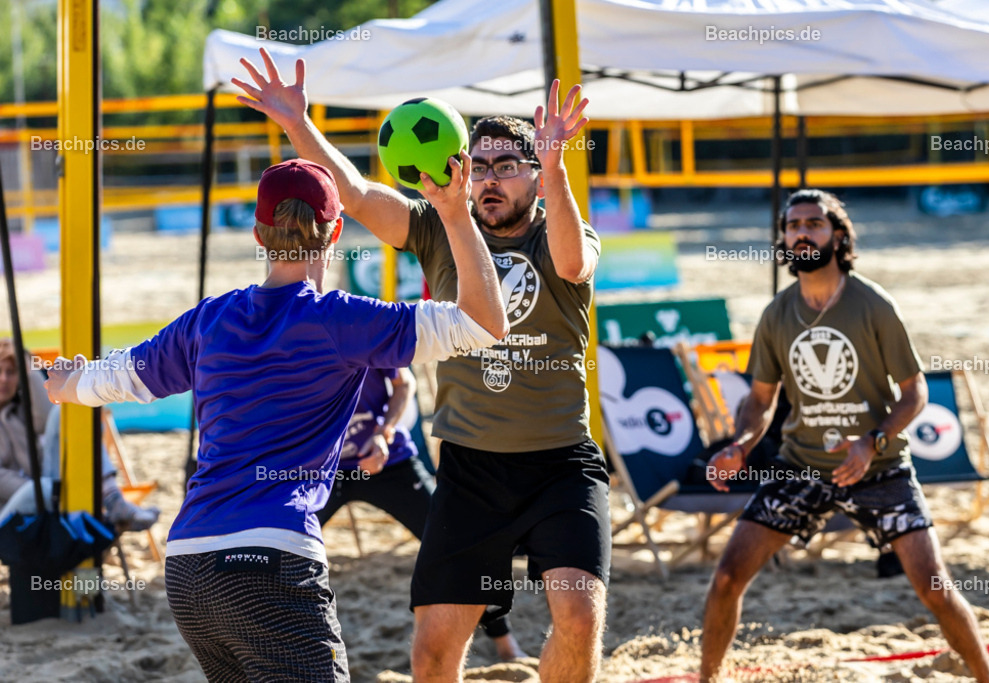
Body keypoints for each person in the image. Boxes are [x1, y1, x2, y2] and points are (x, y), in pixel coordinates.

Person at [43, 157, 508, 682]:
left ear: (259, 235)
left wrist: (66, 381)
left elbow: (118, 378)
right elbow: (484, 322)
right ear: (335, 231)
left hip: (190, 564)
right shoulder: (341, 317)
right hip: (273, 553)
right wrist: (454, 214)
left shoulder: (209, 318)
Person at [234, 49, 609, 682]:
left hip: (561, 463)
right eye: (479, 164)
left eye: (508, 166)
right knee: (433, 650)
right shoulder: (437, 226)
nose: (490, 178)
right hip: (469, 464)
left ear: (535, 178)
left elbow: (573, 267)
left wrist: (556, 166)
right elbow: (351, 194)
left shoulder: (561, 230)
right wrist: (298, 122)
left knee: (576, 615)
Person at [701, 189, 989, 683]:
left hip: (879, 468)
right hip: (803, 466)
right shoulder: (777, 313)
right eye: (792, 225)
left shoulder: (873, 304)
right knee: (728, 576)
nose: (801, 233)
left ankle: (988, 678)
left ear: (837, 236)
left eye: (813, 224)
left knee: (935, 587)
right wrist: (740, 444)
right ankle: (707, 678)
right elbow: (759, 399)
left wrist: (872, 442)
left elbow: (915, 392)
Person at [316, 366, 527, 662]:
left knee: (457, 546)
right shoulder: (287, 330)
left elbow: (405, 383)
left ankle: (504, 640)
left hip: (389, 461)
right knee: (276, 547)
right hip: (321, 468)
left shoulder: (367, 322)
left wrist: (383, 432)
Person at [0, 339, 158, 531]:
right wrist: (43, 491)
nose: (4, 379)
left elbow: (47, 418)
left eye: (11, 372)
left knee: (69, 409)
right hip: (12, 511)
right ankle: (105, 518)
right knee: (48, 489)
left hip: (48, 488)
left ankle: (111, 497)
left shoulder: (19, 409)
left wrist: (28, 369)